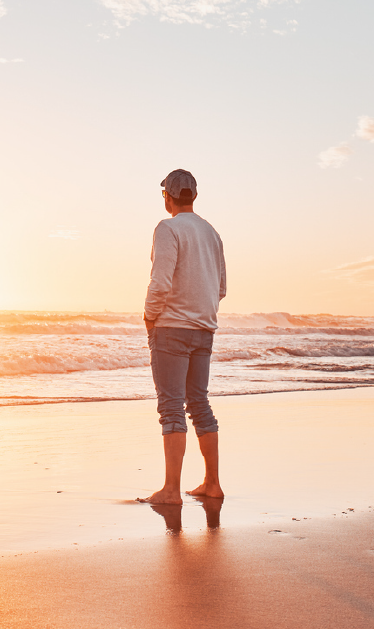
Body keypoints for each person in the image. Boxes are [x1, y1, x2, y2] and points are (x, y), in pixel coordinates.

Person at [139, 168, 227, 505]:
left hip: (171, 327)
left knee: (172, 407)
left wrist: (150, 316)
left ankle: (171, 490)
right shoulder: (212, 233)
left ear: (168, 196)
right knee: (200, 404)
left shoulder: (167, 228)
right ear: (194, 195)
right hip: (204, 328)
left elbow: (160, 281)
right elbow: (220, 288)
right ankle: (212, 483)